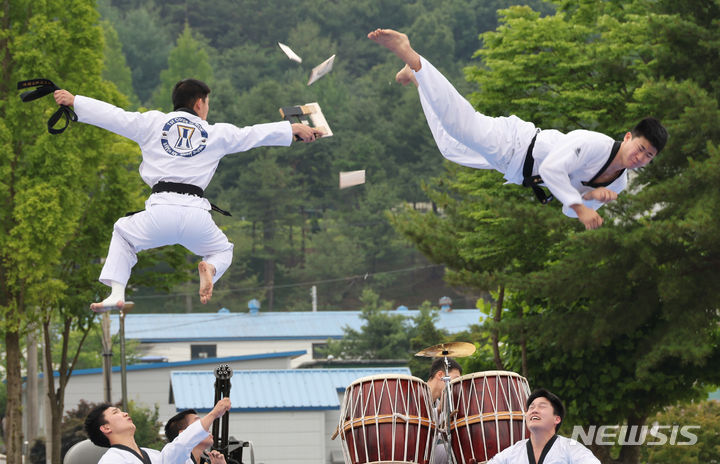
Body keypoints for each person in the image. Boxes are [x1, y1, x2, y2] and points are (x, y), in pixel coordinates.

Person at [54, 80, 323, 312]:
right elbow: (251, 134)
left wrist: (75, 101)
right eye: (207, 103)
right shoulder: (216, 132)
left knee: (123, 234)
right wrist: (292, 129)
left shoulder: (151, 122)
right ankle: (210, 269)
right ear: (198, 103)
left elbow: (115, 116)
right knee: (221, 250)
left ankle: (116, 294)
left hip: (160, 211)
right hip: (196, 215)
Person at [367, 29, 668, 230]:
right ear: (628, 137)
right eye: (640, 148)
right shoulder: (594, 144)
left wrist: (591, 199)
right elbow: (552, 170)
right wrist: (581, 206)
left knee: (450, 146)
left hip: (513, 168)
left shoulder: (619, 184)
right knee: (459, 123)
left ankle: (419, 80)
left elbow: (566, 207)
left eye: (648, 156)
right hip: (514, 143)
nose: (640, 157)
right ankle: (411, 56)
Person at [84, 397, 232, 464]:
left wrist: (214, 414)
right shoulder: (112, 460)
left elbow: (179, 447)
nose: (125, 413)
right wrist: (213, 414)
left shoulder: (154, 456)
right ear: (106, 428)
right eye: (116, 412)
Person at [486, 388, 600, 463]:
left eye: (542, 406)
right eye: (531, 407)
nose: (534, 410)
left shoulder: (571, 448)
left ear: (557, 419)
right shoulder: (512, 452)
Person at [427, 357, 462, 464]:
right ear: (440, 375)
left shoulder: (440, 403)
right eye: (455, 379)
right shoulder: (414, 393)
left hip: (430, 451)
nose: (457, 383)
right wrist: (438, 410)